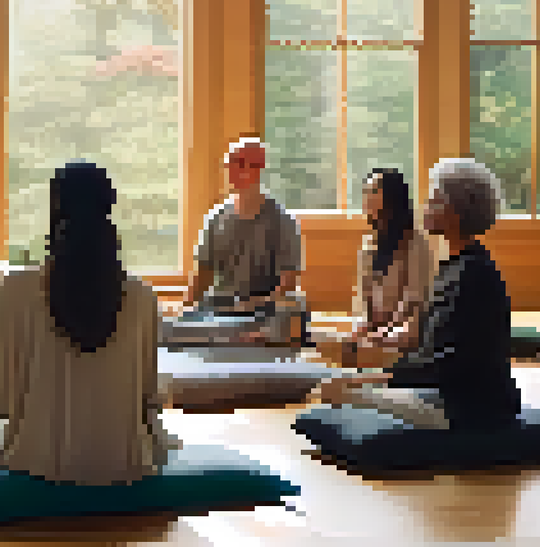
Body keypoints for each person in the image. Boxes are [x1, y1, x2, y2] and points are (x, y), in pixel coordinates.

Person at [0, 162, 178, 485]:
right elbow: (150, 399)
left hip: (34, 462)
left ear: (53, 211)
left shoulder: (15, 289)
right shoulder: (144, 296)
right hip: (126, 462)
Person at [313, 158, 521, 432]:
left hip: (469, 408)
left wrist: (377, 379)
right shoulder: (456, 266)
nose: (424, 208)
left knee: (335, 391)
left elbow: (447, 365)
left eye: (434, 201)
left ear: (456, 210)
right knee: (338, 384)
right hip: (445, 393)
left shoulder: (472, 274)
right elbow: (430, 350)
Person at [169, 136, 307, 346]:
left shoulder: (282, 221)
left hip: (263, 316)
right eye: (231, 163)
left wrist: (255, 308)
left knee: (293, 309)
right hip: (218, 312)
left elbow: (287, 286)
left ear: (259, 169)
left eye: (241, 163)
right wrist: (183, 314)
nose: (234, 170)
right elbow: (201, 277)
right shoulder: (216, 217)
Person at [314, 169, 437, 369]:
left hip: (405, 331)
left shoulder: (416, 243)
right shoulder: (369, 243)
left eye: (374, 190)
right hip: (375, 331)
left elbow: (415, 303)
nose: (367, 196)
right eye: (366, 190)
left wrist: (387, 332)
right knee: (323, 340)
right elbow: (363, 300)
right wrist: (364, 326)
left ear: (392, 197)